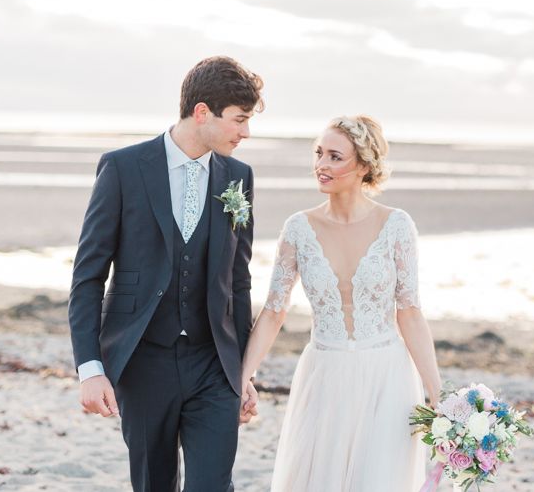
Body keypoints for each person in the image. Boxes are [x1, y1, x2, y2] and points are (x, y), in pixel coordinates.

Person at [68, 56, 263, 492]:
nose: (246, 132)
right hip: (143, 361)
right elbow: (87, 277)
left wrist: (243, 370)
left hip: (214, 364)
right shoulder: (123, 168)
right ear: (201, 112)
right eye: (239, 119)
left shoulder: (239, 176)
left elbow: (239, 280)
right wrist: (90, 368)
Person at [241, 115, 441, 492]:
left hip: (387, 377)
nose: (321, 165)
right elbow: (273, 310)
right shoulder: (298, 228)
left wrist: (438, 393)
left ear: (364, 165)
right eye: (319, 154)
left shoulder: (397, 225)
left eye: (335, 156)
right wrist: (244, 376)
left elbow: (410, 312)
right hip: (323, 375)